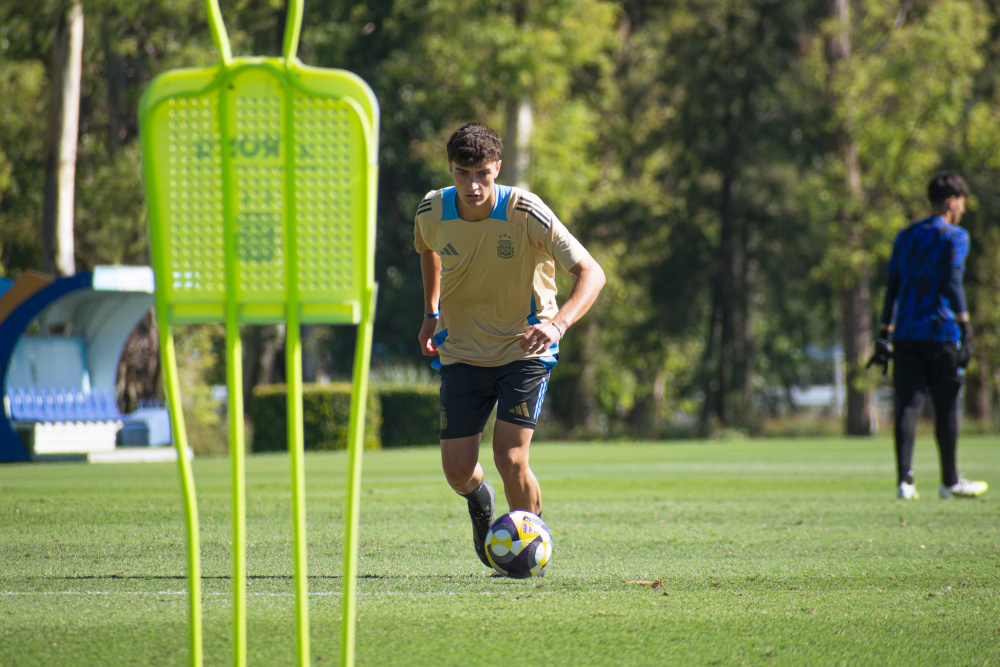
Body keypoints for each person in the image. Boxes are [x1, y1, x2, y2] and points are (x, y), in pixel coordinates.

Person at [413, 122, 606, 568]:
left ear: (497, 167)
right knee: (458, 470)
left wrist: (557, 325)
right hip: (461, 349)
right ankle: (481, 502)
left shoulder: (526, 211)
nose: (473, 185)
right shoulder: (430, 210)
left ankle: (527, 547)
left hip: (525, 349)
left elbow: (592, 273)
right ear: (451, 170)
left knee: (510, 454)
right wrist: (430, 313)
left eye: (482, 173)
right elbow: (428, 250)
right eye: (463, 174)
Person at [869, 172, 988, 500]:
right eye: (962, 204)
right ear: (952, 202)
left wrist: (884, 334)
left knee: (907, 406)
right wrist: (966, 327)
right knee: (946, 406)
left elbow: (892, 287)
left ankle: (904, 482)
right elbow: (952, 281)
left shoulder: (905, 236)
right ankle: (949, 481)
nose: (962, 210)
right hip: (942, 331)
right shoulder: (955, 236)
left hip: (906, 333)